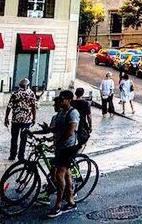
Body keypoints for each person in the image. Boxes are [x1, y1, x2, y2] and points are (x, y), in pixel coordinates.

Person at [46, 90, 80, 218]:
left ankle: (58, 205)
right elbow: (57, 129)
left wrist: (57, 142)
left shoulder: (73, 113)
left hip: (68, 148)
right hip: (60, 147)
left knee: (59, 174)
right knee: (66, 174)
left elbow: (70, 131)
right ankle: (71, 201)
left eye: (62, 99)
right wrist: (45, 131)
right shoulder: (61, 113)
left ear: (69, 100)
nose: (60, 101)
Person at [4, 78, 37, 161]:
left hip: (15, 120)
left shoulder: (15, 93)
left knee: (14, 138)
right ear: (27, 85)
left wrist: (6, 117)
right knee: (24, 139)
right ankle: (21, 156)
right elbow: (34, 107)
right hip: (26, 121)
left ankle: (12, 155)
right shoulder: (31, 94)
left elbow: (9, 106)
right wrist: (34, 118)